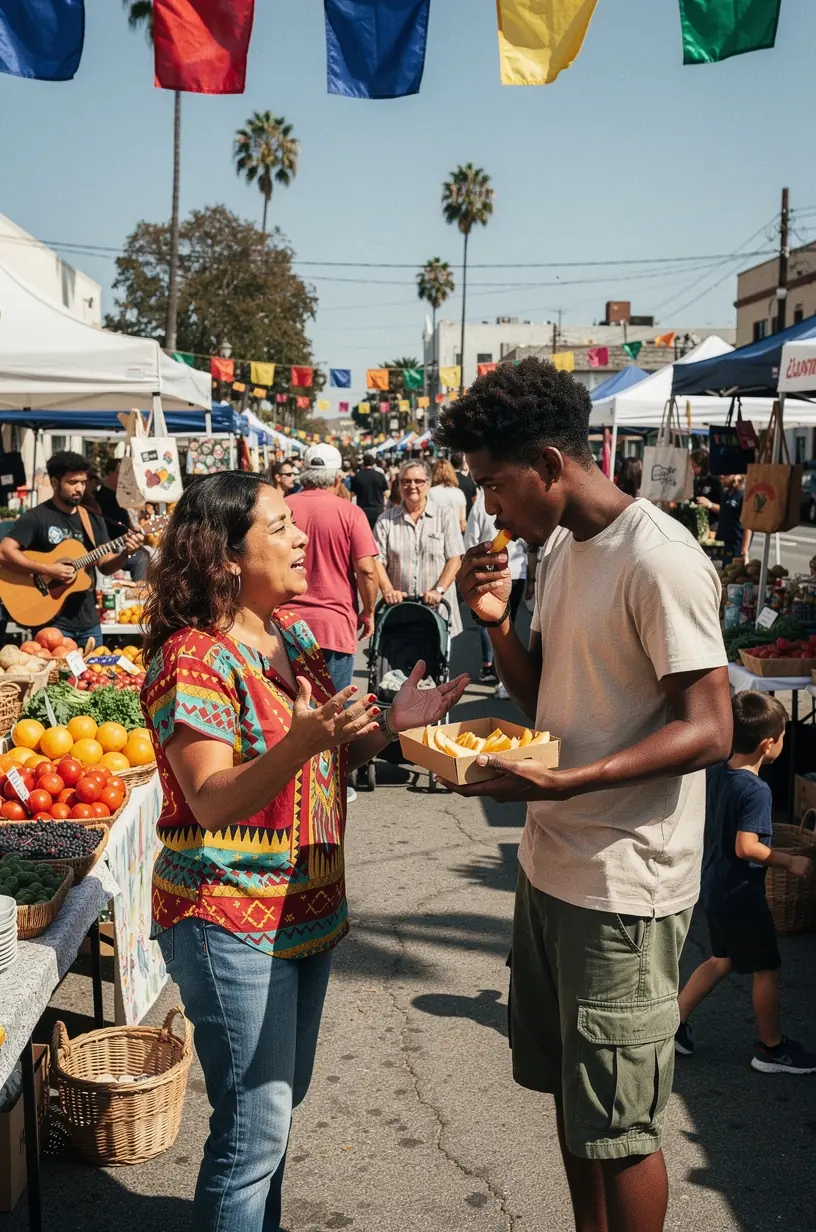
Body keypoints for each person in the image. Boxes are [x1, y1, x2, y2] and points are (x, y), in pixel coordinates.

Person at [437, 358, 732, 1232]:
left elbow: (711, 728)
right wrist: (494, 626)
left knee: (624, 1129)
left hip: (625, 886)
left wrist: (571, 781)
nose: (489, 508)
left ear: (551, 465)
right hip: (552, 865)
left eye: (494, 485)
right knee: (577, 1103)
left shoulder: (661, 560)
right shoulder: (561, 547)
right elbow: (547, 699)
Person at [140, 472, 467, 1232]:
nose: (300, 541)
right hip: (228, 916)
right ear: (224, 558)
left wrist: (393, 727)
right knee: (252, 1131)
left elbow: (326, 761)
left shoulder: (288, 635)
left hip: (306, 910)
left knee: (276, 1116)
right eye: (280, 527)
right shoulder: (194, 657)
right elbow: (213, 798)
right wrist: (304, 739)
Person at [675, 692, 816, 1073]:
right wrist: (792, 863)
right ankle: (772, 1049)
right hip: (741, 895)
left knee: (722, 959)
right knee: (767, 969)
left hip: (716, 885)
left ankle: (673, 1025)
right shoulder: (756, 790)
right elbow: (747, 846)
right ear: (768, 744)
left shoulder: (719, 771)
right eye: (784, 737)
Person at [0, 450, 143, 646]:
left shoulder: (92, 518)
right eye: (72, 482)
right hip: (51, 621)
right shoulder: (36, 517)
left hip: (89, 621)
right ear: (55, 483)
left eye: (83, 482)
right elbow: (4, 551)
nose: (79, 488)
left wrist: (125, 553)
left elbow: (105, 565)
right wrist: (47, 569)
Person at [284, 444, 379, 695]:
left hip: (285, 623)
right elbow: (367, 570)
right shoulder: (350, 512)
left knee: (286, 710)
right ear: (338, 478)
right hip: (333, 624)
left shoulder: (282, 509)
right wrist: (369, 612)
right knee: (334, 712)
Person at [374, 460, 465, 637]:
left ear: (428, 484)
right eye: (406, 481)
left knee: (435, 662)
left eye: (418, 481)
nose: (412, 486)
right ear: (399, 485)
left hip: (437, 610)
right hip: (399, 611)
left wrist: (438, 590)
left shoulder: (445, 516)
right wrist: (388, 590)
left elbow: (454, 559)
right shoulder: (386, 520)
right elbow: (377, 560)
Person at [465, 487, 527, 689]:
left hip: (491, 572)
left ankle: (490, 666)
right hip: (515, 571)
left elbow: (470, 540)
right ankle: (500, 673)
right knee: (505, 619)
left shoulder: (482, 504)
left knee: (491, 619)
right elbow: (529, 544)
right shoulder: (517, 500)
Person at [97, 458, 150, 581]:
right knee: (141, 559)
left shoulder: (119, 497)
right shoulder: (101, 498)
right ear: (110, 473)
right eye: (120, 473)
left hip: (123, 543)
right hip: (110, 548)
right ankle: (139, 592)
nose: (124, 478)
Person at [428, 458, 468, 533]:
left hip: (434, 534)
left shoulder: (430, 493)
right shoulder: (459, 493)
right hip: (454, 534)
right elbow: (462, 522)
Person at [718, 474, 751, 562]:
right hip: (726, 541)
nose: (722, 477)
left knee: (734, 569)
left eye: (726, 475)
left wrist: (744, 549)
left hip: (737, 542)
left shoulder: (742, 494)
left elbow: (748, 525)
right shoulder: (727, 493)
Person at [690, 448, 723, 534]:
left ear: (703, 465)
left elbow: (725, 509)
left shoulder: (716, 481)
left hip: (714, 527)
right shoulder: (699, 481)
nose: (692, 469)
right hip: (701, 526)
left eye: (695, 466)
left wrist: (709, 504)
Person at [350, 453, 388, 528]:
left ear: (363, 463)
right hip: (378, 511)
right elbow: (387, 493)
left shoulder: (357, 476)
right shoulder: (380, 476)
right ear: (373, 463)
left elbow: (352, 494)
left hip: (362, 511)